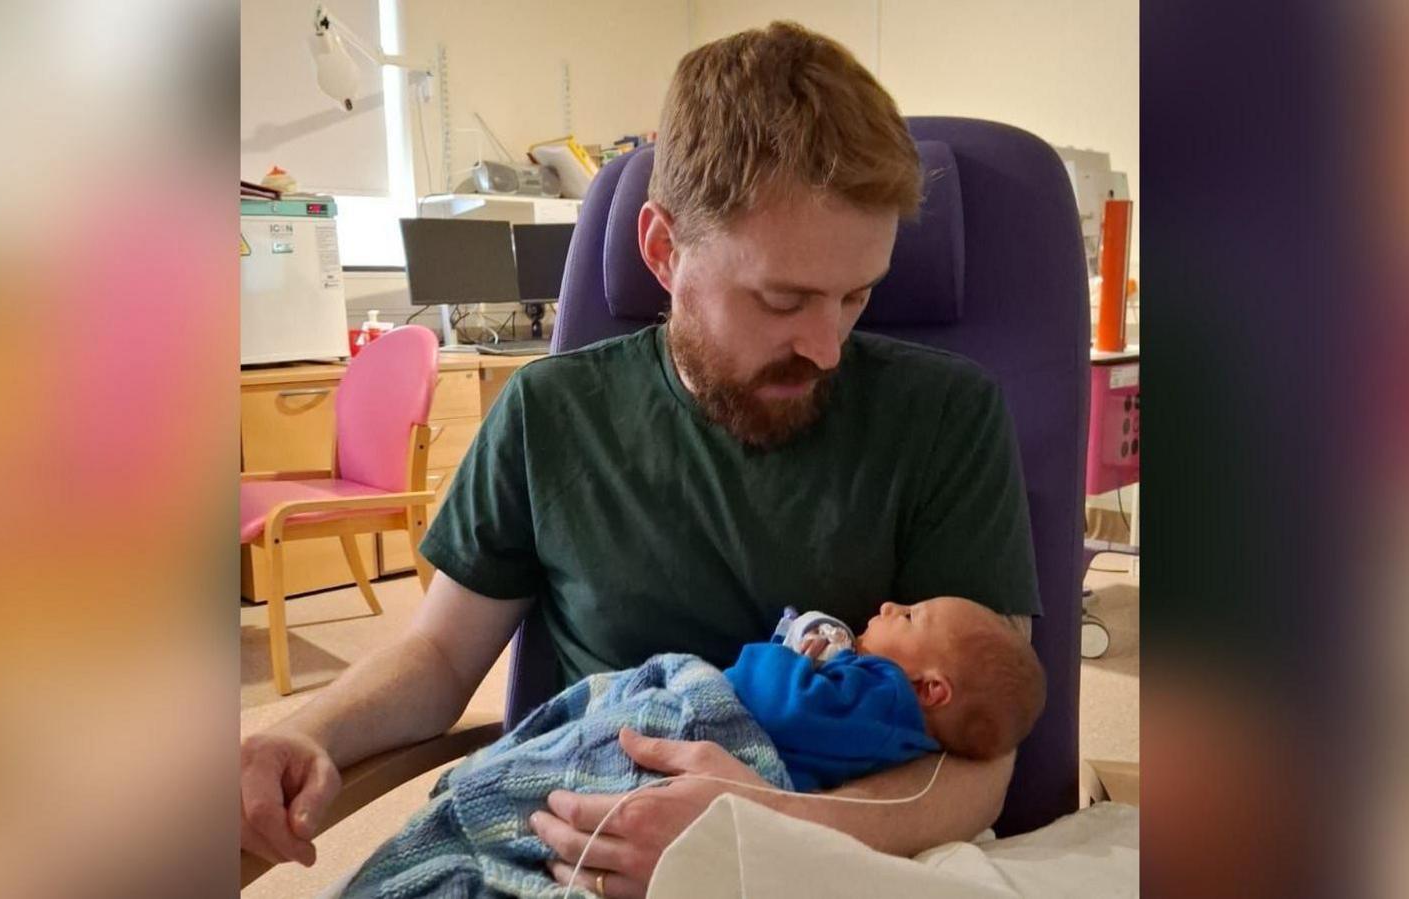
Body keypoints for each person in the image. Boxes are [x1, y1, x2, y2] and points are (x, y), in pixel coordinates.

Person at [241, 21, 1041, 899]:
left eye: (858, 294)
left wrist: (756, 836)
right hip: (565, 847)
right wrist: (307, 733)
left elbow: (979, 763)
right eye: (783, 298)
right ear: (663, 251)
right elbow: (436, 659)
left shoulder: (946, 418)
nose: (827, 345)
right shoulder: (549, 415)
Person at [336, 597, 1045, 898]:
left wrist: (788, 646)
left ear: (933, 690)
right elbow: (433, 648)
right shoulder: (886, 694)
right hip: (664, 731)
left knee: (500, 823)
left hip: (719, 741)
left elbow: (781, 701)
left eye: (910, 615)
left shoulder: (880, 693)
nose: (890, 607)